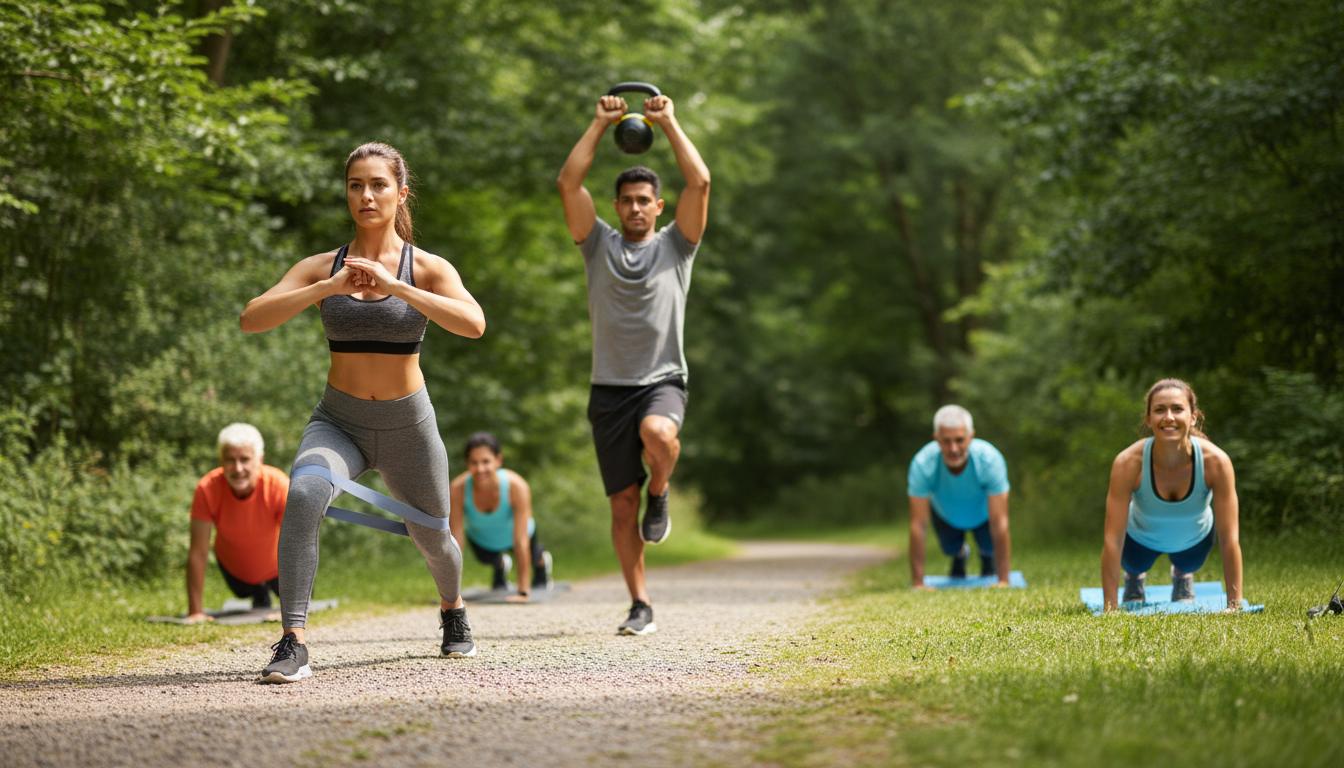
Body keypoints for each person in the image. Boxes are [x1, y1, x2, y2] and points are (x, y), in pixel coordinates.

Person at [240, 141, 486, 682]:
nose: (366, 195)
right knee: (304, 493)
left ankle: (452, 610)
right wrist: (326, 289)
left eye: (378, 184)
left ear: (401, 193)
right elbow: (252, 318)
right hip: (340, 421)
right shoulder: (321, 266)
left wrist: (402, 288)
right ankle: (292, 641)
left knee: (434, 537)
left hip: (408, 424)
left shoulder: (425, 267)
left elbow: (474, 324)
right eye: (356, 185)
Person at [557, 89, 710, 635]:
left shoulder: (678, 247)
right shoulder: (596, 244)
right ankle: (639, 603)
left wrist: (668, 123)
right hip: (608, 389)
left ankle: (661, 490)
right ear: (617, 206)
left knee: (659, 434)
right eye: (628, 201)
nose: (637, 207)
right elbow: (568, 184)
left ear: (658, 206)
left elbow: (701, 182)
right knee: (622, 507)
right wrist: (599, 125)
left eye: (646, 199)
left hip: (662, 380)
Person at [1100, 378, 1243, 611]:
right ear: (1148, 419)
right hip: (1139, 540)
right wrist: (1110, 607)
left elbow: (1229, 539)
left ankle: (1182, 575)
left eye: (1177, 409)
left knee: (1189, 562)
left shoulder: (1216, 462)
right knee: (1134, 563)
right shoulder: (1127, 463)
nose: (1168, 417)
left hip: (1194, 541)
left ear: (1193, 416)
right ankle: (1134, 578)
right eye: (1159, 410)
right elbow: (1112, 539)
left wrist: (1234, 606)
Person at [185, 423, 289, 623]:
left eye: (245, 460)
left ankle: (278, 594)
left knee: (299, 598)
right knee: (246, 591)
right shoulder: (207, 488)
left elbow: (297, 545)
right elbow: (198, 551)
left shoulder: (279, 485)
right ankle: (259, 593)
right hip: (237, 573)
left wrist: (290, 609)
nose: (238, 468)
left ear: (259, 460)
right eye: (230, 460)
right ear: (221, 461)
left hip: (279, 569)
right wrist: (195, 611)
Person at [907, 405, 1013, 588]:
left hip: (983, 515)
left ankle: (986, 557)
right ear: (936, 440)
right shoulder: (923, 463)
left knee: (989, 547)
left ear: (971, 437)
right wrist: (918, 583)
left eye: (959, 440)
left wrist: (1004, 580)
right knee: (950, 548)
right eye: (946, 441)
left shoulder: (990, 460)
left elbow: (1000, 521)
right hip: (946, 514)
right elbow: (918, 525)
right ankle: (961, 553)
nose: (953, 448)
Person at [449, 431, 554, 602]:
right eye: (474, 463)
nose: (480, 468)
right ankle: (501, 564)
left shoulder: (517, 486)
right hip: (483, 539)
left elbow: (521, 540)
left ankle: (542, 561)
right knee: (486, 558)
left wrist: (523, 591)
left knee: (532, 555)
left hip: (518, 536)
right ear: (467, 464)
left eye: (486, 462)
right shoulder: (457, 488)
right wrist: (452, 593)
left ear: (498, 460)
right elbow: (456, 540)